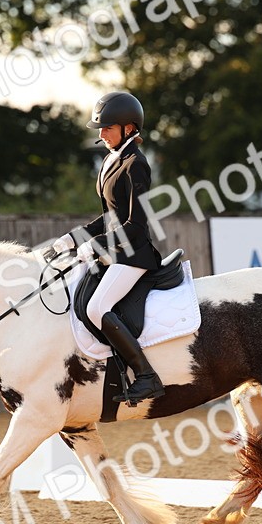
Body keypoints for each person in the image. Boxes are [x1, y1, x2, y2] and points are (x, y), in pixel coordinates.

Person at [53, 91, 165, 403]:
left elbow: (136, 227)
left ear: (129, 128)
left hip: (134, 254)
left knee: (97, 307)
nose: (101, 134)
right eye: (100, 128)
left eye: (107, 128)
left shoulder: (136, 164)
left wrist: (100, 246)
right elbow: (109, 217)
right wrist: (75, 238)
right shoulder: (111, 160)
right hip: (116, 250)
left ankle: (146, 375)